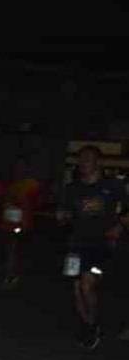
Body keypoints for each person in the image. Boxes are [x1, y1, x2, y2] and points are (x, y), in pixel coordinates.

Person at [59, 145, 126, 349]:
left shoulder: (112, 186)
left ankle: (92, 323)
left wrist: (119, 227)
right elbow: (63, 213)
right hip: (75, 244)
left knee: (88, 284)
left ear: (98, 162)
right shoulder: (72, 188)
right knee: (77, 287)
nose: (83, 162)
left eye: (88, 158)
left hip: (101, 244)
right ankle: (87, 324)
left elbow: (127, 210)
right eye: (81, 159)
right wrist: (62, 217)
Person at [0, 156, 41, 288]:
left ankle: (14, 276)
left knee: (17, 251)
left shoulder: (31, 184)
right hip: (8, 223)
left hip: (24, 224)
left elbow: (38, 201)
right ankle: (10, 275)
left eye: (22, 166)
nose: (19, 169)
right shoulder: (7, 184)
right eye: (17, 166)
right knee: (9, 250)